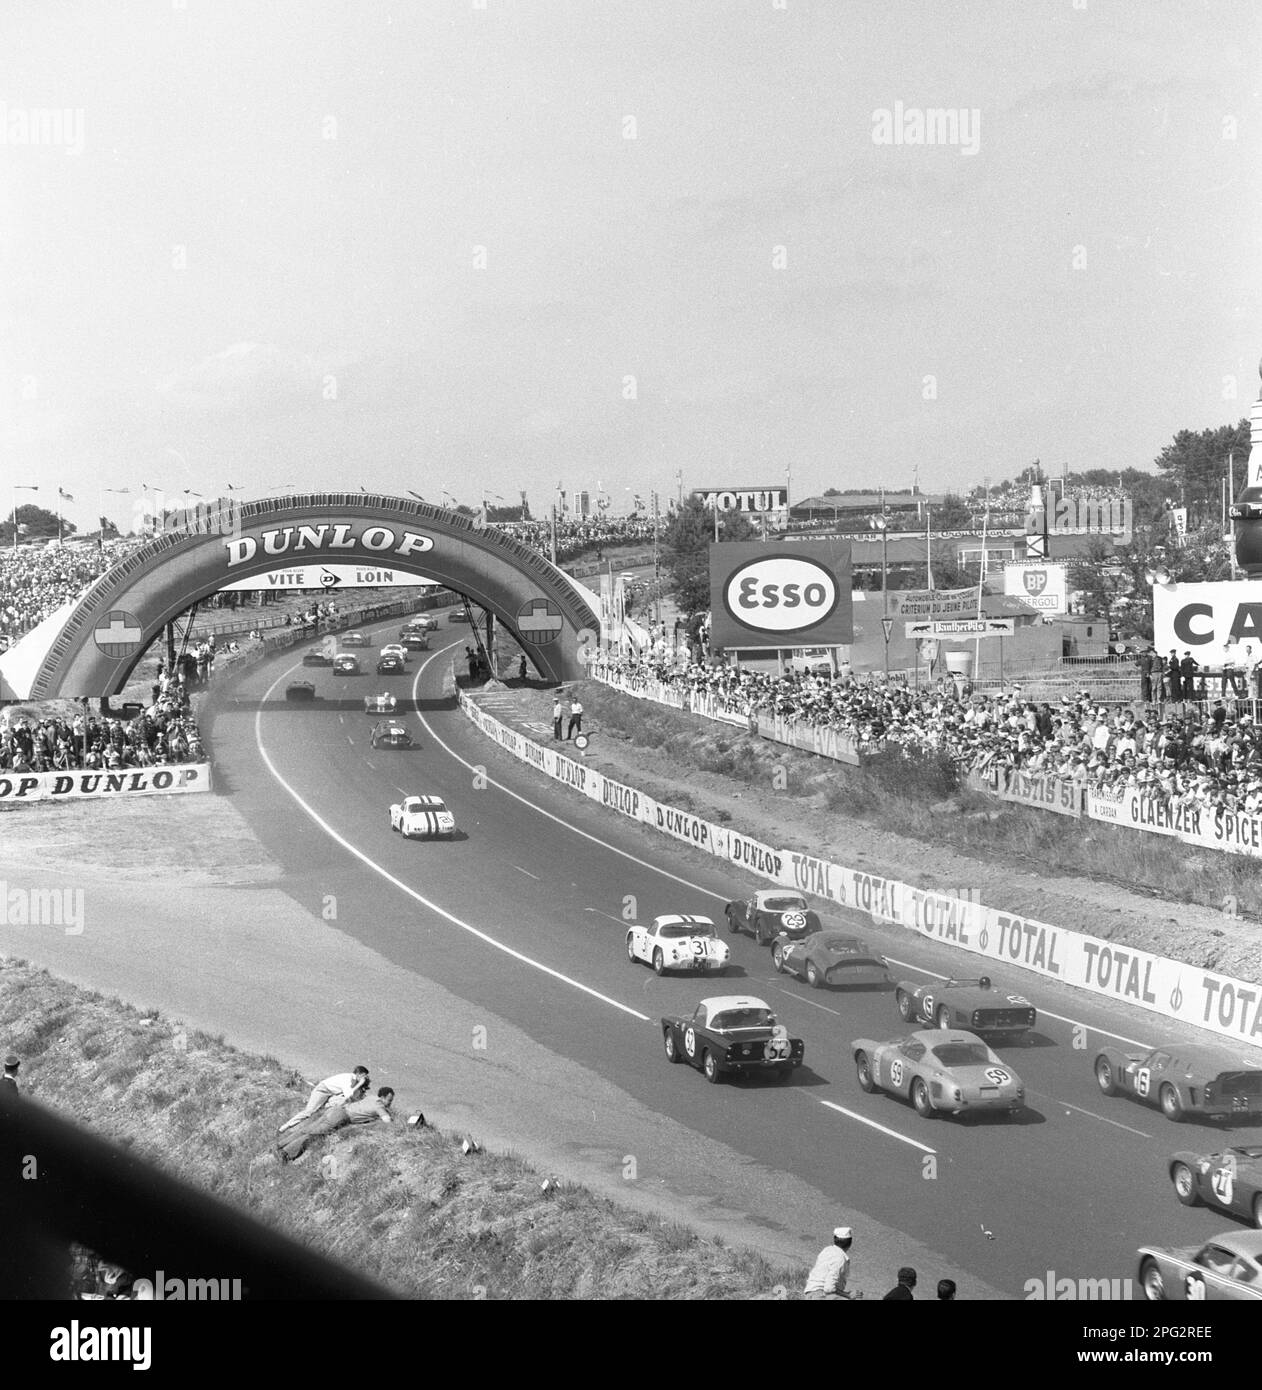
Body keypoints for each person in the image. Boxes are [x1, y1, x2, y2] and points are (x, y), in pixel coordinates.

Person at [277, 1086, 395, 1164]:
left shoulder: (372, 1097)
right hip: (341, 1115)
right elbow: (387, 1120)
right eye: (389, 1100)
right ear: (383, 1097)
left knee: (308, 1129)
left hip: (336, 1110)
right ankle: (286, 1153)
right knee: (314, 1134)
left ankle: (281, 1144)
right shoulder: (379, 1105)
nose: (390, 1103)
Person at [278, 1065, 370, 1133]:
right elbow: (348, 1094)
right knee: (309, 1112)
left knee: (329, 1107)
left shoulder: (352, 1079)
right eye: (364, 1076)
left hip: (330, 1093)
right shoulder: (349, 1078)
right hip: (322, 1091)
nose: (365, 1078)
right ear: (359, 1074)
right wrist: (360, 1083)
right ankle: (285, 1127)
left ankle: (326, 1108)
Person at [803, 1227, 853, 1299]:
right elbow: (829, 1288)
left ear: (835, 1239)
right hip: (820, 1295)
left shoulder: (827, 1250)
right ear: (850, 1243)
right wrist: (848, 1295)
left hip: (810, 1293)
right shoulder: (840, 1258)